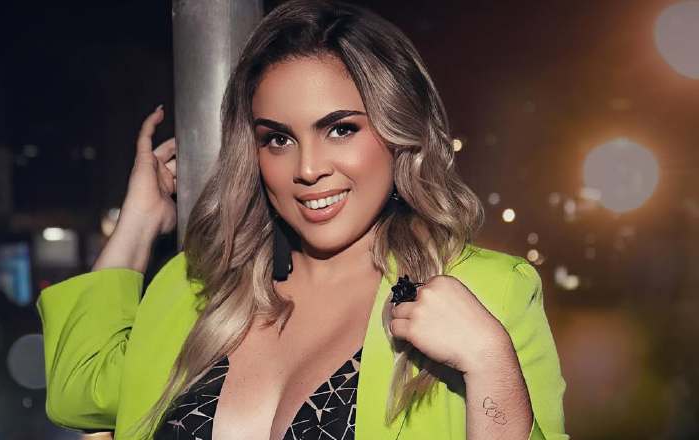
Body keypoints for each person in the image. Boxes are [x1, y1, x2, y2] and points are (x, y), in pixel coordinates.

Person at [36, 1, 568, 439]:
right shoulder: (201, 287)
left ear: (398, 132)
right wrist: (138, 222)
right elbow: (77, 393)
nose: (308, 169)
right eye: (278, 139)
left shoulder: (486, 293)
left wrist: (490, 362)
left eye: (340, 129)